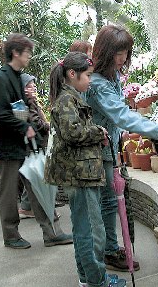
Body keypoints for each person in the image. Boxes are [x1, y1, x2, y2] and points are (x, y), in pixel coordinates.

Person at [85, 25, 158, 272]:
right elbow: (123, 116)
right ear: (105, 51)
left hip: (108, 148)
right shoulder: (99, 83)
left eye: (125, 52)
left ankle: (109, 249)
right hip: (98, 151)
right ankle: (105, 253)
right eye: (118, 53)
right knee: (105, 203)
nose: (122, 58)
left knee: (110, 202)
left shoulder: (111, 76)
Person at [45, 51, 126, 287]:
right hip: (80, 174)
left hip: (81, 173)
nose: (90, 80)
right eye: (88, 75)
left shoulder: (71, 98)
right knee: (92, 232)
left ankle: (89, 278)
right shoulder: (66, 101)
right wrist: (98, 131)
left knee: (84, 229)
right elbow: (73, 133)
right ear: (72, 74)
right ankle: (97, 281)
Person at [0, 33, 72, 249]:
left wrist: (32, 127)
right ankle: (11, 235)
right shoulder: (0, 78)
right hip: (9, 147)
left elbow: (22, 110)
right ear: (15, 53)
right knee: (9, 192)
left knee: (39, 186)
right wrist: (24, 127)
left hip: (26, 145)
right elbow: (0, 114)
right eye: (26, 53)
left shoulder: (19, 77)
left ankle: (52, 232)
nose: (29, 57)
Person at [18, 73, 50, 219]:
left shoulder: (30, 101)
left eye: (34, 85)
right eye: (30, 85)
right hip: (34, 145)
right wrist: (47, 126)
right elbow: (35, 121)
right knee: (35, 177)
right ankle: (31, 209)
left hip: (36, 144)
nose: (34, 87)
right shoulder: (26, 103)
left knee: (33, 177)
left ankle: (26, 207)